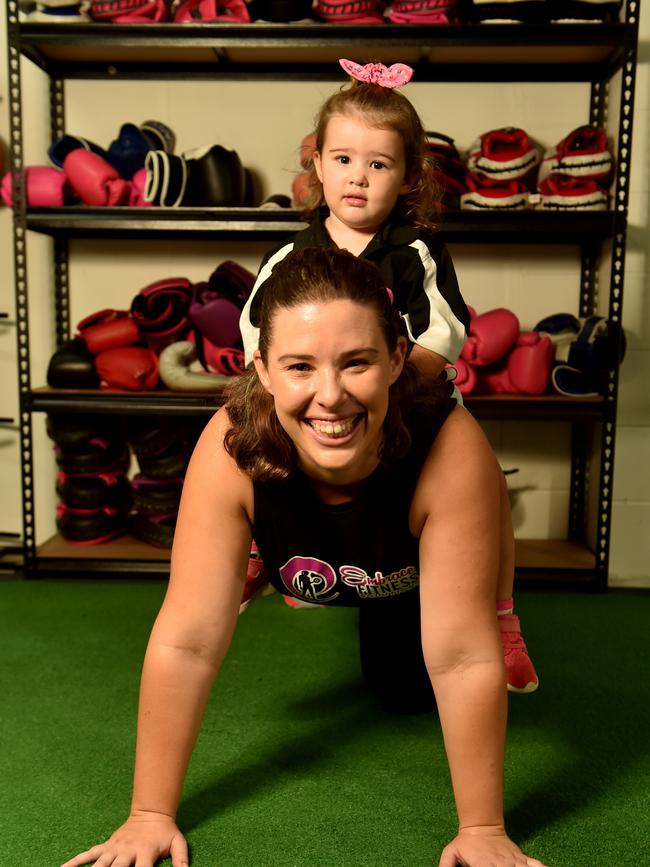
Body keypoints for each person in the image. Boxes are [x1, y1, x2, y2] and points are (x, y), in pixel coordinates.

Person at [61, 248, 547, 867]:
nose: (330, 397)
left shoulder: (450, 448)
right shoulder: (229, 444)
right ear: (260, 370)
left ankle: (501, 611)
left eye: (357, 363)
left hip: (406, 571)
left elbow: (458, 657)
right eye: (299, 366)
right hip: (318, 554)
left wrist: (483, 829)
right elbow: (187, 642)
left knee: (404, 688)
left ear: (398, 358)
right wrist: (148, 816)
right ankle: (277, 564)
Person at [240, 58, 538, 694]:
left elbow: (441, 332)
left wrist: (388, 385)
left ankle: (501, 615)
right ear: (316, 164)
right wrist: (288, 385)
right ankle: (263, 550)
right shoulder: (291, 255)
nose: (358, 177)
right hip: (320, 412)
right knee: (240, 433)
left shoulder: (414, 250)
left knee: (480, 476)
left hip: (404, 402)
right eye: (343, 159)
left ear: (406, 177)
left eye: (378, 164)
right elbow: (252, 330)